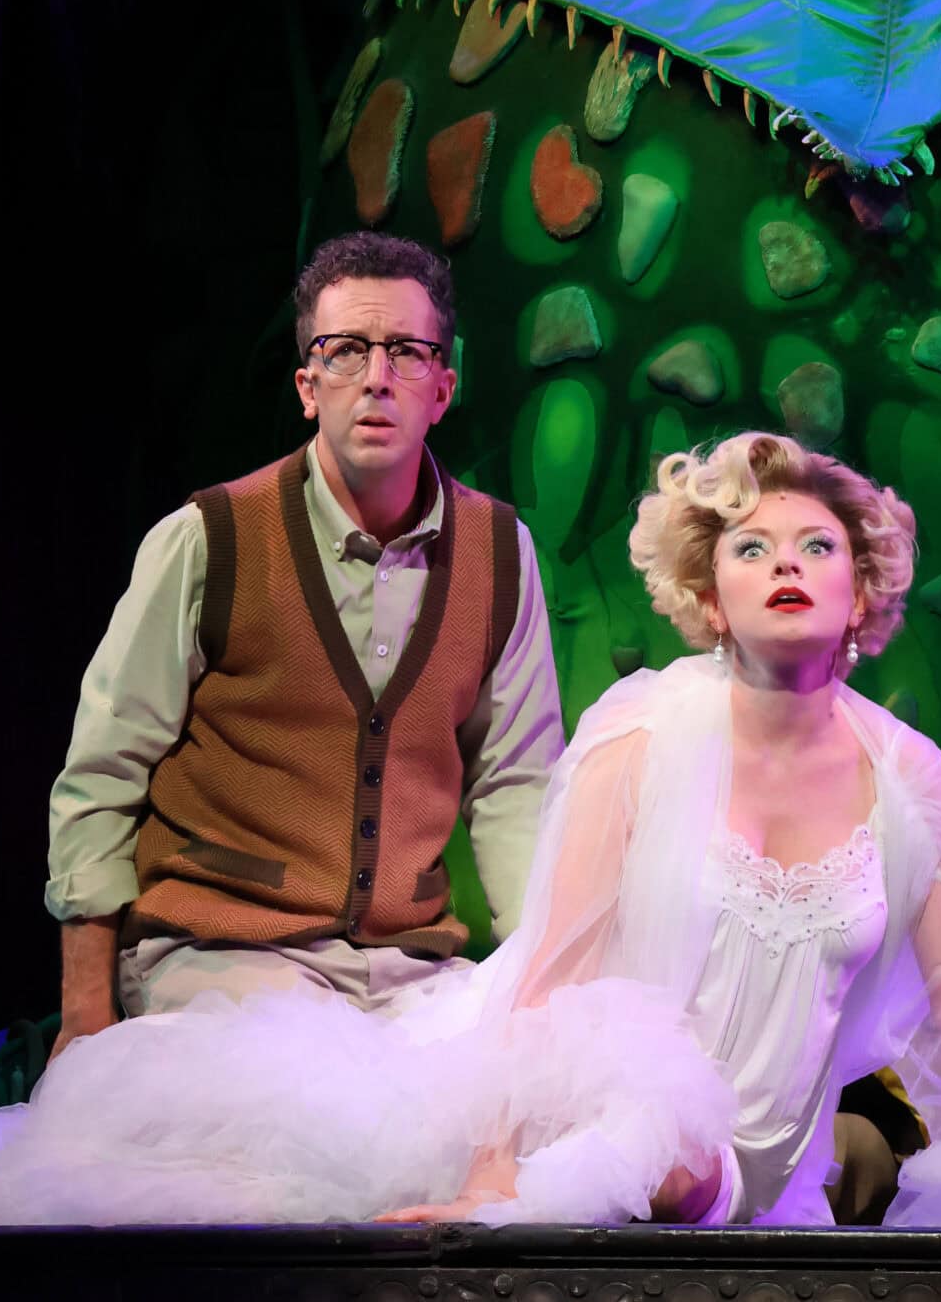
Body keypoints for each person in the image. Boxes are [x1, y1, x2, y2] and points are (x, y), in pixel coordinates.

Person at [0, 432, 941, 1232]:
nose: (784, 566)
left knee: (365, 1179)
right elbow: (556, 961)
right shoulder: (645, 731)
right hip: (583, 1104)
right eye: (749, 549)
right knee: (294, 1180)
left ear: (863, 592)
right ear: (708, 593)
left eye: (814, 546)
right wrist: (496, 1169)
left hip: (759, 1166)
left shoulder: (904, 779)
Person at [47, 229, 562, 1046]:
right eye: (346, 350)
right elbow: (103, 773)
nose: (376, 378)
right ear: (307, 386)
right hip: (222, 952)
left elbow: (516, 784)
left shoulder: (500, 553)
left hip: (404, 968)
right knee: (311, 1099)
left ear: (443, 389)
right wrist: (85, 1012)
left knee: (531, 1089)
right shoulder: (210, 539)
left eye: (407, 352)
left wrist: (544, 985)